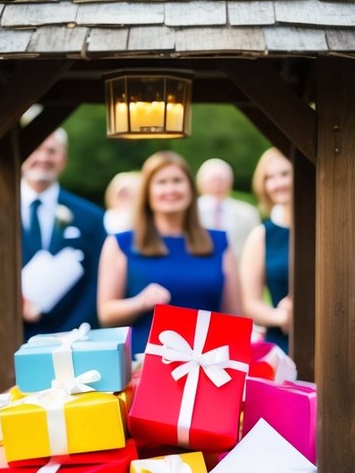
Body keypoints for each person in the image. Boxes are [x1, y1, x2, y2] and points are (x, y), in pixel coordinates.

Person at [98, 150, 243, 356]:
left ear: (191, 189)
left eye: (177, 180)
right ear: (147, 192)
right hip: (144, 364)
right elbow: (106, 314)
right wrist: (140, 302)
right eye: (161, 182)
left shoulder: (219, 243)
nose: (170, 189)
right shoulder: (120, 243)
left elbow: (234, 315)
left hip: (209, 366)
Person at [0, 128, 105, 339]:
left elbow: (97, 281)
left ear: (63, 159)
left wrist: (71, 330)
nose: (43, 158)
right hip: (4, 334)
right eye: (36, 149)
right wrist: (5, 309)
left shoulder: (90, 217)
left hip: (70, 335)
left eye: (52, 151)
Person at [240, 148, 292, 352]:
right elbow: (249, 302)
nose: (277, 183)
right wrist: (279, 316)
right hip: (283, 341)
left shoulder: (325, 230)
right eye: (269, 177)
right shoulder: (262, 235)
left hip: (328, 339)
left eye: (285, 174)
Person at [195, 157, 259, 260]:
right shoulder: (191, 211)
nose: (217, 183)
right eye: (213, 179)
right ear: (201, 181)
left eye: (221, 179)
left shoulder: (248, 212)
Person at [103, 170, 141, 235]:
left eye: (127, 193)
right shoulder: (108, 216)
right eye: (122, 193)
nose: (124, 195)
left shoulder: (142, 217)